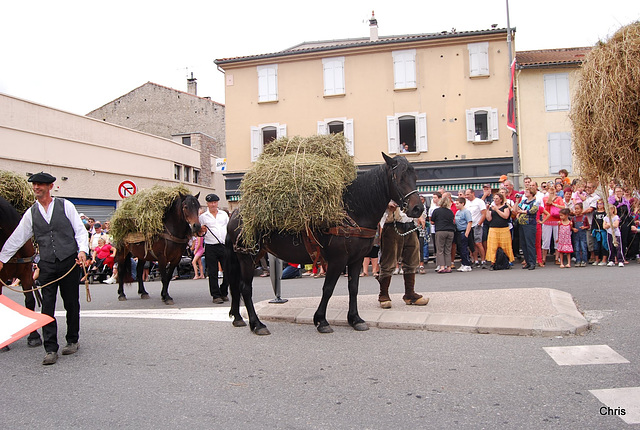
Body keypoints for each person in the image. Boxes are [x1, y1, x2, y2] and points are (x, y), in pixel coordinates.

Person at [0, 172, 88, 365]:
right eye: (34, 185)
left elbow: (79, 230)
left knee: (71, 303)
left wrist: (83, 250)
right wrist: (2, 258)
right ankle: (50, 348)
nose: (36, 188)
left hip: (68, 261)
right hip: (47, 264)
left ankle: (72, 340)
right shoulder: (31, 212)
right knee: (47, 307)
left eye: (40, 185)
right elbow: (18, 237)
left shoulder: (66, 206)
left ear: (50, 186)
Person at [377, 201, 429, 309]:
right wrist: (386, 205)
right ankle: (383, 295)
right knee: (388, 261)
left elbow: (417, 203)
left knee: (412, 260)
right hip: (392, 225)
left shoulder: (409, 188)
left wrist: (419, 215)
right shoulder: (388, 187)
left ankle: (410, 294)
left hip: (410, 226)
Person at [199, 193, 229, 304]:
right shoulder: (202, 217)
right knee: (212, 272)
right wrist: (202, 230)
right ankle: (216, 295)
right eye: (211, 203)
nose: (213, 204)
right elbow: (197, 232)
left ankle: (224, 291)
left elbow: (228, 227)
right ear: (207, 203)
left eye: (215, 202)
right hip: (211, 246)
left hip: (223, 245)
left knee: (228, 270)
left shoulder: (223, 215)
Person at [485, 193, 515, 267]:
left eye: (497, 199)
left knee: (505, 245)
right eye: (494, 199)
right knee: (493, 246)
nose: (495, 200)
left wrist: (497, 210)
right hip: (493, 228)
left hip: (503, 229)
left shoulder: (505, 207)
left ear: (501, 200)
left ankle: (507, 261)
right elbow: (489, 218)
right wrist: (487, 210)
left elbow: (505, 216)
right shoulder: (492, 208)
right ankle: (493, 261)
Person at [430, 194, 456, 273]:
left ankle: (441, 266)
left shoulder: (436, 211)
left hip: (440, 230)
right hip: (450, 231)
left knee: (440, 249)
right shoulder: (450, 212)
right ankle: (448, 266)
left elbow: (432, 221)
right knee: (448, 250)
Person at [515, 187, 538, 270]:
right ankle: (527, 261)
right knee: (524, 244)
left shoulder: (535, 202)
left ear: (531, 193)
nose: (525, 192)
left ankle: (532, 262)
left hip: (530, 224)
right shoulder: (524, 201)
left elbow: (532, 211)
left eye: (527, 191)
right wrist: (517, 201)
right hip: (522, 224)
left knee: (530, 243)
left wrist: (523, 211)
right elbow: (517, 209)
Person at [540, 185, 563, 266]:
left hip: (557, 221)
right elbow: (548, 203)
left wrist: (555, 204)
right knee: (546, 240)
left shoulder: (559, 198)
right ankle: (543, 259)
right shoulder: (545, 197)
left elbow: (563, 207)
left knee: (557, 240)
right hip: (548, 221)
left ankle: (557, 258)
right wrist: (551, 195)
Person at [465, 188, 487, 268]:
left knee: (478, 243)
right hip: (469, 225)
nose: (466, 196)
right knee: (472, 244)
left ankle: (483, 260)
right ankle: (475, 260)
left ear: (473, 193)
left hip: (477, 225)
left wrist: (479, 224)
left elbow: (484, 214)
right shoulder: (466, 203)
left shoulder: (479, 202)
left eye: (468, 194)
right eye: (466, 194)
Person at [454, 197, 473, 272]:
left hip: (464, 231)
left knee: (464, 248)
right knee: (461, 248)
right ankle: (463, 263)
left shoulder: (466, 212)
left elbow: (469, 222)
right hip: (458, 232)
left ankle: (467, 264)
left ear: (462, 203)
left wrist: (466, 233)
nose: (456, 205)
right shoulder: (458, 212)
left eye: (458, 204)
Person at [591, 199, 609, 266]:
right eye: (598, 204)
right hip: (596, 231)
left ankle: (604, 260)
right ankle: (597, 259)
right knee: (596, 246)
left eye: (601, 204)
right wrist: (592, 231)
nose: (600, 205)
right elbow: (593, 222)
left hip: (604, 231)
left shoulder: (605, 213)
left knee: (604, 245)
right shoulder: (595, 213)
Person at [572, 203, 590, 267]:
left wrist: (584, 227)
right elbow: (571, 227)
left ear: (581, 209)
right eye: (575, 209)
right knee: (577, 248)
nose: (576, 210)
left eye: (578, 209)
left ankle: (584, 260)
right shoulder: (573, 218)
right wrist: (573, 229)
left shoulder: (585, 217)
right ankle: (578, 260)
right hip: (576, 235)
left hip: (583, 234)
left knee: (583, 247)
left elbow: (588, 226)